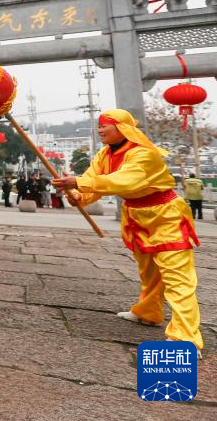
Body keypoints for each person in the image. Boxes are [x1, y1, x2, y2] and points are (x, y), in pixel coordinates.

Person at [52, 109, 203, 354]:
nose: (100, 130)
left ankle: (185, 337)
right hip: (137, 218)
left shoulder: (144, 154)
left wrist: (80, 183)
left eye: (106, 125)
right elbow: (94, 179)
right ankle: (149, 311)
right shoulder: (104, 154)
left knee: (178, 278)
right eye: (99, 126)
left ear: (123, 128)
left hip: (166, 216)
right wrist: (79, 195)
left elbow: (125, 180)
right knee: (149, 272)